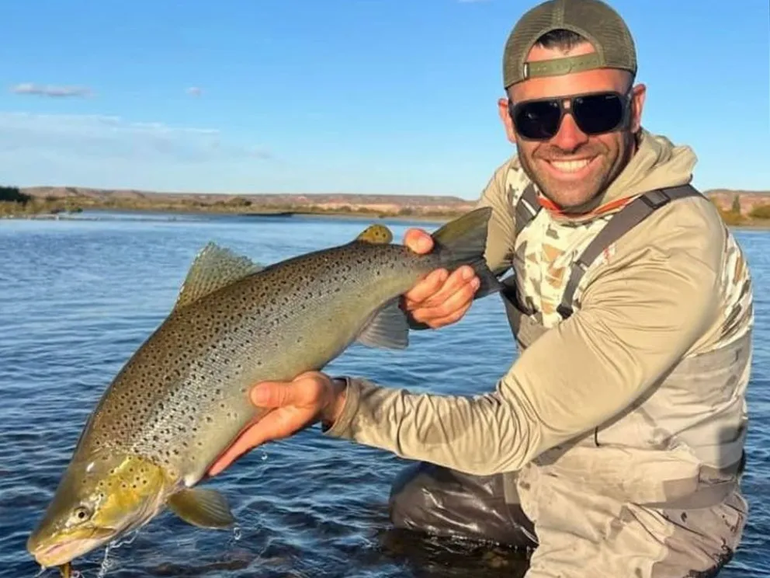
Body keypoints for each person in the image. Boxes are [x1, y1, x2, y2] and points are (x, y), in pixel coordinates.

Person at [209, 0, 754, 575]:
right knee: (418, 504)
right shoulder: (519, 186)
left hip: (653, 505)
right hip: (550, 463)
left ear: (635, 107)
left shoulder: (675, 246)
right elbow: (453, 272)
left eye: (596, 109)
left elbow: (511, 427)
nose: (567, 139)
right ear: (508, 119)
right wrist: (416, 302)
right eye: (538, 117)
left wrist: (338, 404)